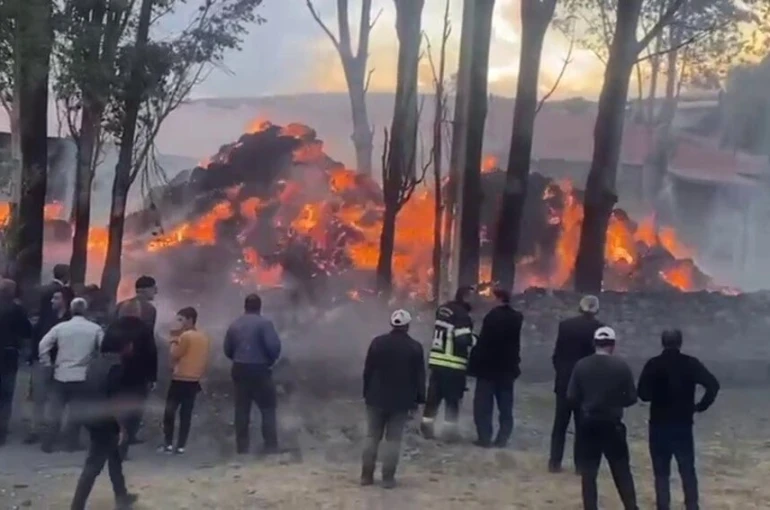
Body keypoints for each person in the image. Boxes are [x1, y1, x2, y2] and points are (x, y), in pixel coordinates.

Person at [638, 329, 720, 510]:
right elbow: (713, 385)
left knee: (661, 473)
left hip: (659, 424)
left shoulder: (653, 364)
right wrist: (700, 406)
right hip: (683, 424)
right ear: (680, 342)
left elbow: (642, 394)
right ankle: (692, 506)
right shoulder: (690, 363)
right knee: (687, 470)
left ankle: (663, 506)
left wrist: (656, 394)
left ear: (662, 342)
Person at [70, 317, 140, 510]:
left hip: (90, 414)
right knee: (93, 465)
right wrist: (122, 428)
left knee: (114, 458)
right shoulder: (117, 367)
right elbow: (114, 401)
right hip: (104, 421)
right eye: (130, 342)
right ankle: (76, 506)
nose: (132, 346)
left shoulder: (97, 361)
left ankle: (122, 496)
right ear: (123, 346)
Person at [567, 326, 638, 510]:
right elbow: (631, 397)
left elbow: (572, 397)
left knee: (589, 474)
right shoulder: (621, 366)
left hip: (588, 425)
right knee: (622, 471)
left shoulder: (581, 365)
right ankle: (631, 506)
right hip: (612, 425)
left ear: (594, 344)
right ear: (612, 345)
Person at [361, 309, 425, 489]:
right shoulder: (414, 347)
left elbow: (368, 371)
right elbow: (419, 376)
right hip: (401, 401)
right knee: (393, 440)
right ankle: (388, 478)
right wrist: (419, 399)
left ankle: (366, 476)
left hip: (375, 398)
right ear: (407, 326)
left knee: (372, 437)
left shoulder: (377, 343)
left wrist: (366, 393)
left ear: (392, 324)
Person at [39, 298, 104, 453]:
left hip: (61, 374)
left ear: (71, 309)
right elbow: (104, 348)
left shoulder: (61, 327)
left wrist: (47, 362)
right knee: (76, 412)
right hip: (82, 376)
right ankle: (71, 444)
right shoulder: (95, 329)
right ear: (86, 310)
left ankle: (48, 443)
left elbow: (43, 345)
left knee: (55, 410)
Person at [548, 294, 602, 473]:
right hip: (586, 385)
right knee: (582, 426)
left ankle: (554, 462)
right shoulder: (600, 329)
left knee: (560, 424)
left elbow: (557, 355)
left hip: (564, 381)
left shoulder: (565, 326)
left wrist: (562, 373)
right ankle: (580, 465)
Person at [224, 293, 282, 454]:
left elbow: (227, 349)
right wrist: (269, 361)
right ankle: (270, 446)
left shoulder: (235, 324)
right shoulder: (265, 324)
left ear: (245, 306)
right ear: (259, 307)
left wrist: (237, 359)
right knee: (268, 408)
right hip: (259, 369)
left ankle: (242, 448)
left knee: (241, 409)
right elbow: (273, 347)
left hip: (239, 368)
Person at [468, 288, 522, 448]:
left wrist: (473, 365)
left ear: (498, 299)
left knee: (483, 406)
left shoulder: (492, 317)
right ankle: (502, 438)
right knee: (505, 407)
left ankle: (484, 437)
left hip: (488, 370)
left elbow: (484, 343)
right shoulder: (517, 317)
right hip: (507, 370)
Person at [420, 286, 476, 441]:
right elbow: (463, 339)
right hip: (453, 365)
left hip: (437, 362)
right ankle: (449, 433)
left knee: (433, 398)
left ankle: (426, 429)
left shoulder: (444, 310)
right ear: (465, 297)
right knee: (452, 401)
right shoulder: (462, 315)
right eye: (472, 296)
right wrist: (476, 339)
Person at [160, 307, 210, 454]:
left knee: (170, 412)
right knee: (186, 414)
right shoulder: (204, 336)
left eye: (181, 319)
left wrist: (173, 339)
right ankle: (181, 446)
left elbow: (175, 354)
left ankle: (168, 444)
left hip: (179, 378)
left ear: (190, 319)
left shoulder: (185, 336)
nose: (178, 323)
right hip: (194, 380)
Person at [25, 288, 71, 444]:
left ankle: (53, 430)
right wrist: (33, 357)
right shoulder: (46, 317)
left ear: (65, 300)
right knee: (39, 397)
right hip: (43, 362)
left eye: (56, 298)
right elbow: (36, 337)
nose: (52, 301)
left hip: (62, 363)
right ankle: (35, 429)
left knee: (58, 399)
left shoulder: (70, 319)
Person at [115, 314, 157, 460]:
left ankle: (115, 445)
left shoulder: (114, 328)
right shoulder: (144, 330)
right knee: (133, 413)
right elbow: (152, 354)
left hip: (118, 377)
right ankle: (124, 445)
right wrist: (152, 377)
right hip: (139, 378)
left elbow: (104, 352)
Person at [0, 279, 32, 445]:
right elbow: (26, 332)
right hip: (8, 355)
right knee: (5, 396)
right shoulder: (17, 310)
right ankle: (1, 433)